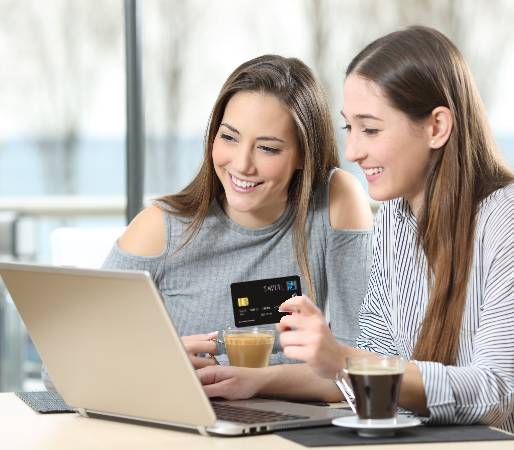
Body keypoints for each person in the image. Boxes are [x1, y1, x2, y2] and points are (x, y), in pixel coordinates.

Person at [198, 27, 514, 433]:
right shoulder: (391, 223)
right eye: (350, 128)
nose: (352, 152)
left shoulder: (503, 220)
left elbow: (498, 390)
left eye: (371, 129)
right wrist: (255, 382)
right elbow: (373, 358)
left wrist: (342, 359)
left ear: (437, 127)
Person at [102, 55, 372, 367]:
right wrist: (161, 362)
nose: (242, 164)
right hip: (198, 412)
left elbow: (364, 361)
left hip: (296, 413)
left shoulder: (337, 200)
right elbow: (67, 366)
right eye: (229, 137)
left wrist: (247, 383)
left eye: (268, 148)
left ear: (304, 155)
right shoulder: (159, 227)